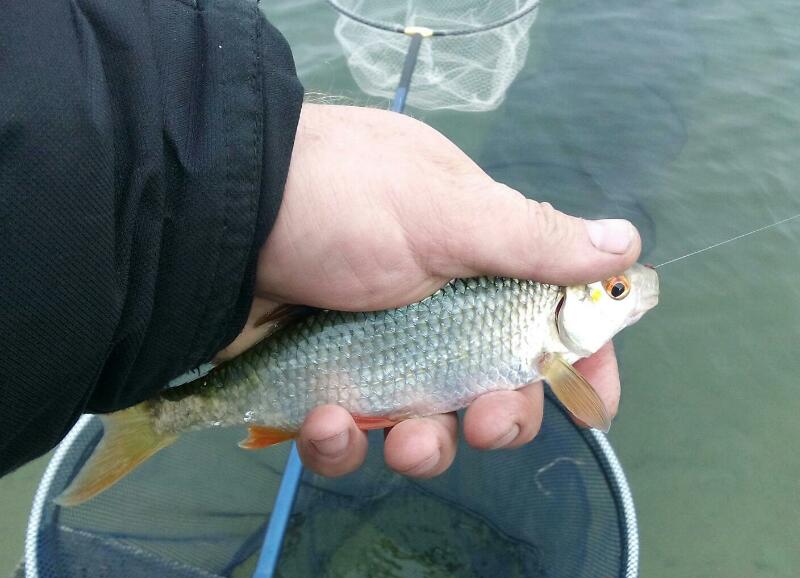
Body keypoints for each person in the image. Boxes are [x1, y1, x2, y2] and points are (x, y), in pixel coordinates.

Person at [0, 1, 640, 479]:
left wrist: (261, 203)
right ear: (567, 298)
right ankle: (160, 416)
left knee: (383, 433)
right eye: (615, 289)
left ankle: (165, 412)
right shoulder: (547, 341)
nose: (630, 291)